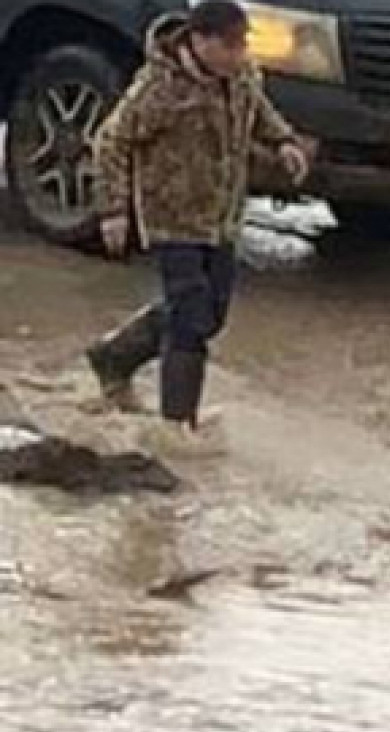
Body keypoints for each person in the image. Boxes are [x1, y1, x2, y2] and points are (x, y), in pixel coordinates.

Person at [86, 0, 310, 442]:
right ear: (200, 41)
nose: (238, 54)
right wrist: (113, 211)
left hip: (222, 216)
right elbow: (111, 142)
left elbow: (259, 111)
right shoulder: (159, 89)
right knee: (190, 319)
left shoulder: (241, 76)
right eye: (229, 45)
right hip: (172, 219)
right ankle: (178, 427)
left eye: (242, 44)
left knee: (210, 315)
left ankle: (115, 356)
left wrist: (284, 141)